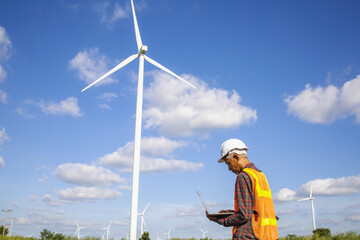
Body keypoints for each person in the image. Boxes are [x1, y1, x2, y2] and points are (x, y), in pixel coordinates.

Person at [207, 139, 278, 240]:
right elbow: (255, 211)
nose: (229, 168)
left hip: (249, 235)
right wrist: (230, 213)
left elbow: (243, 215)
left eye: (228, 163)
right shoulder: (260, 175)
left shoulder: (244, 176)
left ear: (236, 156)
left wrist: (219, 220)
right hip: (267, 235)